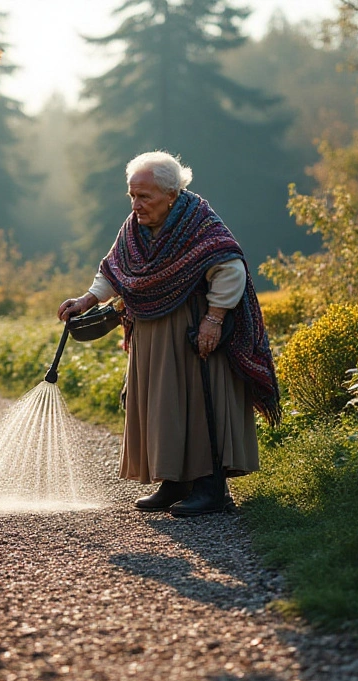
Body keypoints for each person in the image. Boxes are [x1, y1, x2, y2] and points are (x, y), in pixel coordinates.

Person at [58, 151, 281, 516]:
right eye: (132, 195)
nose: (136, 204)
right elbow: (114, 267)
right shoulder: (133, 227)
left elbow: (229, 267)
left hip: (192, 331)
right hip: (150, 332)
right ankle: (174, 481)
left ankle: (211, 488)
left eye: (144, 196)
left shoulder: (199, 222)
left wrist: (214, 319)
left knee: (197, 403)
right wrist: (87, 300)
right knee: (164, 405)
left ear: (172, 194)